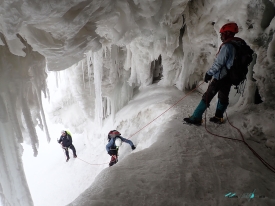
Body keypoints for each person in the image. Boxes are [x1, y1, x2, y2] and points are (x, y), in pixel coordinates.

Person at [184, 22, 241, 125]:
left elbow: (219, 63)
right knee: (223, 96)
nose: (221, 36)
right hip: (229, 78)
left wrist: (209, 73)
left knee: (207, 96)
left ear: (228, 33)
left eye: (222, 34)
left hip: (220, 77)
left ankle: (196, 117)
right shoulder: (237, 45)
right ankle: (218, 117)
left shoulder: (227, 46)